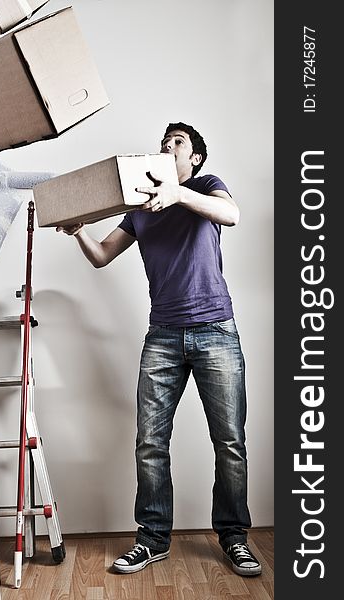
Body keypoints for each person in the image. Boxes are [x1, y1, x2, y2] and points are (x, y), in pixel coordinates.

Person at [57, 122, 261, 577]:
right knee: (150, 443)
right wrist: (78, 232)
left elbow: (233, 215)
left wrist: (179, 193)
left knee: (230, 442)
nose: (168, 147)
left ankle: (234, 538)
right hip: (163, 336)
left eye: (178, 143)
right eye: (164, 143)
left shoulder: (205, 187)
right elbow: (102, 255)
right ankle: (151, 539)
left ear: (195, 159)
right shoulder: (141, 207)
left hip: (215, 330)